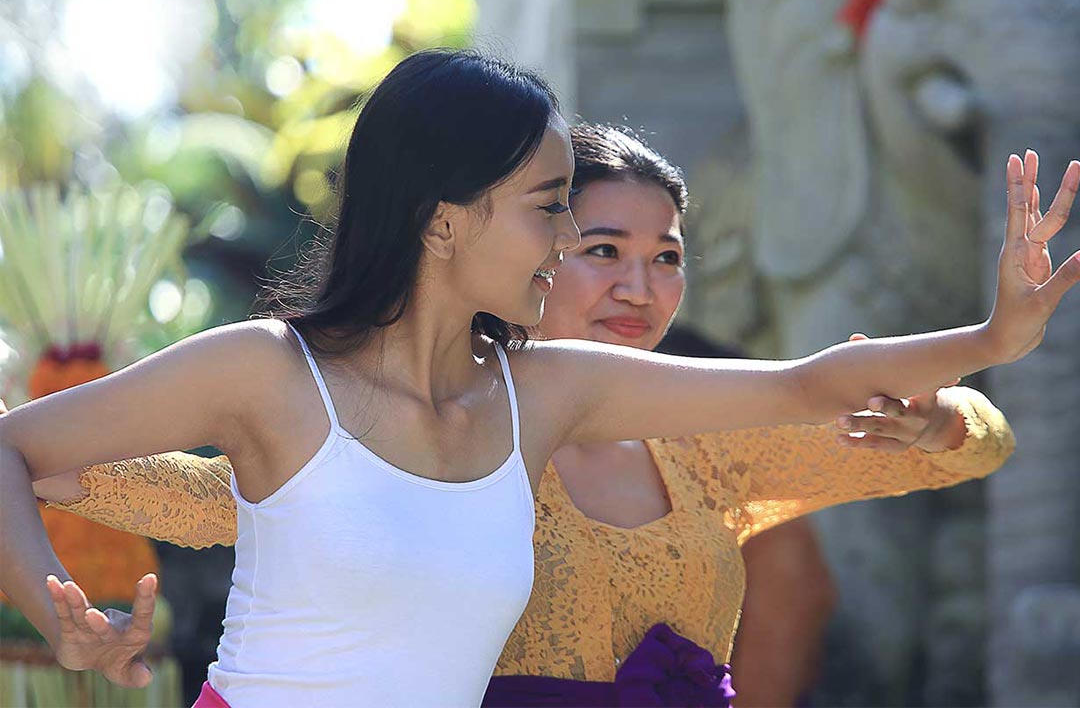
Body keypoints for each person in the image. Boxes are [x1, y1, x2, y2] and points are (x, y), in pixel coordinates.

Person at [2, 47, 1079, 708]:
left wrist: (994, 335)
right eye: (552, 206)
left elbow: (810, 385)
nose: (567, 244)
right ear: (444, 219)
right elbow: (17, 446)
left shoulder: (547, 392)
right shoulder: (266, 371)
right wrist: (55, 615)